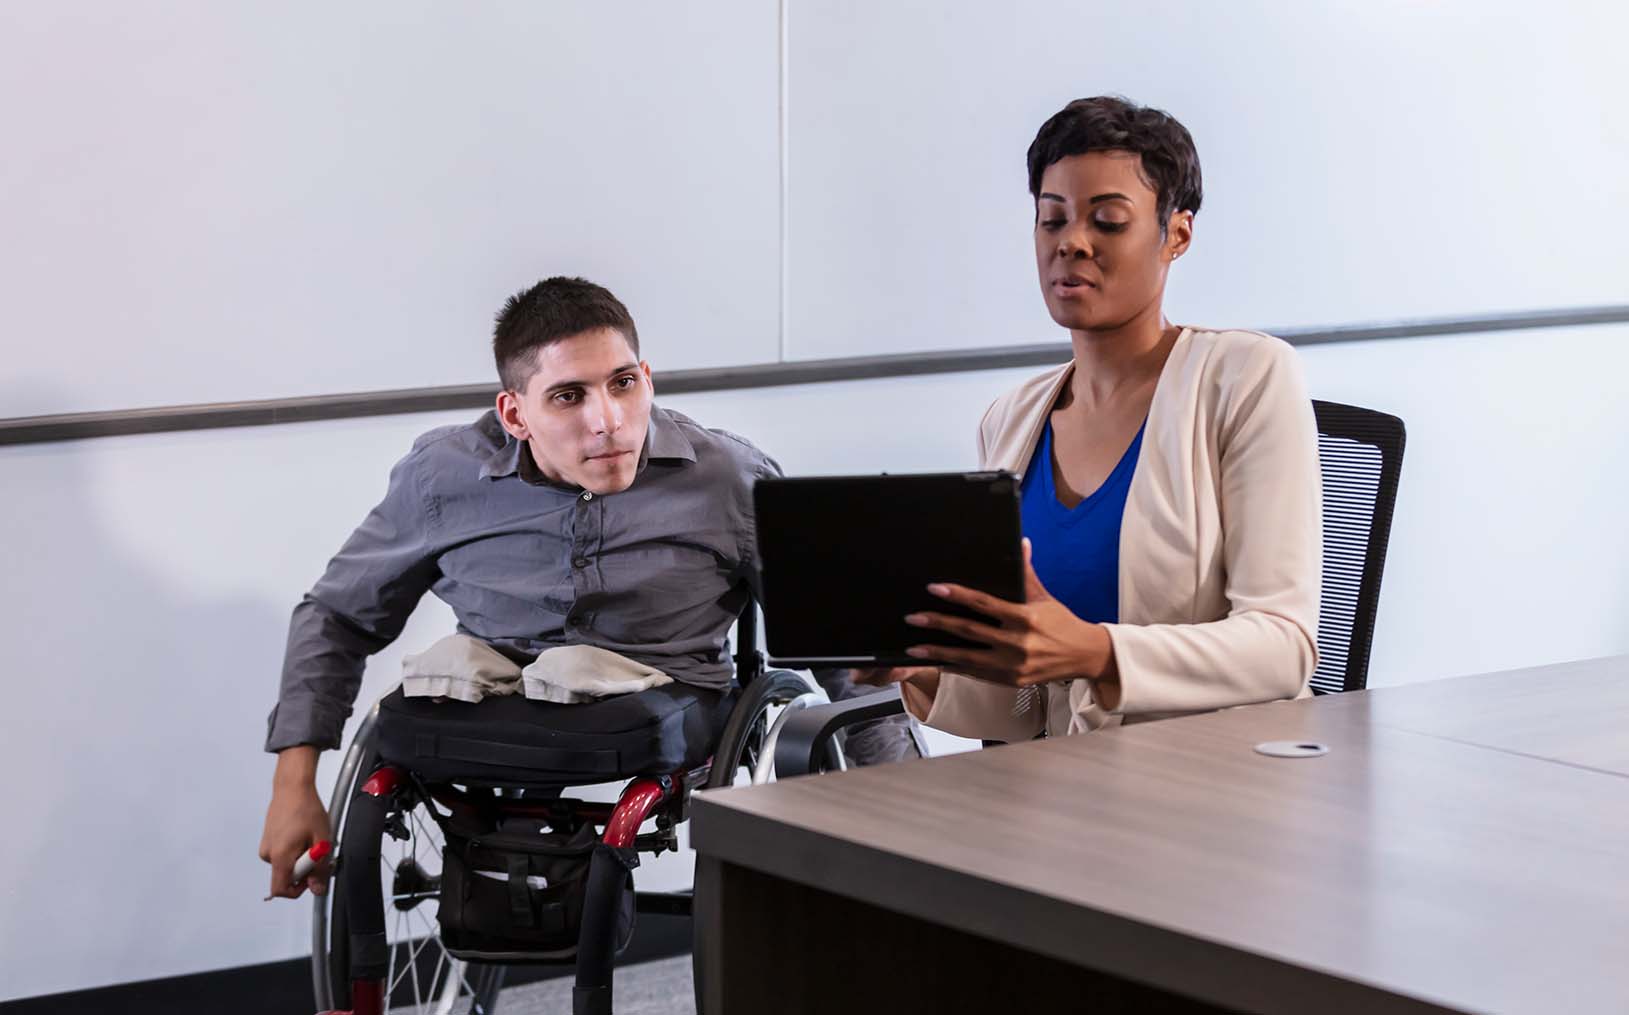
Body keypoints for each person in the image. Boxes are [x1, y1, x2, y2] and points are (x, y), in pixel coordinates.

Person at [259, 277, 914, 900]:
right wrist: (294, 783)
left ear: (646, 378)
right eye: (569, 396)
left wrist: (900, 806)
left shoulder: (725, 477)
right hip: (497, 691)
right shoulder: (442, 476)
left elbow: (842, 645)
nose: (607, 419)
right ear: (515, 414)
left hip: (666, 693)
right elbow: (338, 613)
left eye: (623, 384)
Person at [855, 96, 1322, 740]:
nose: (1072, 242)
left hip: (1207, 788)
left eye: (1107, 221)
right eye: (1053, 220)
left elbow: (1285, 648)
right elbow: (1027, 709)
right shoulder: (1011, 420)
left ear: (1176, 235)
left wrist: (1096, 653)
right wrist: (920, 669)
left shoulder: (1244, 376)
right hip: (1051, 792)